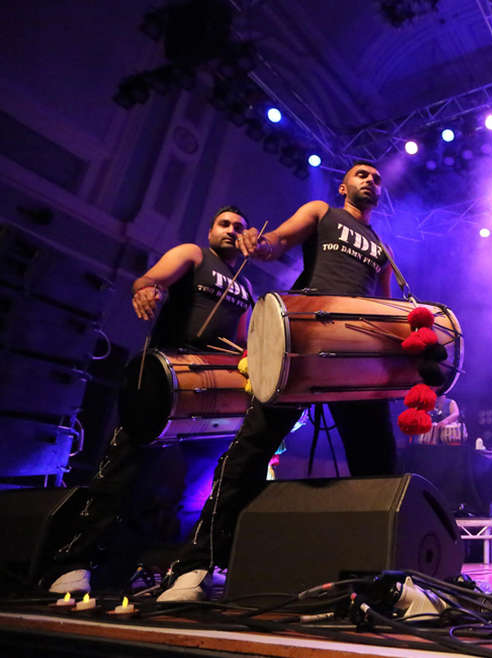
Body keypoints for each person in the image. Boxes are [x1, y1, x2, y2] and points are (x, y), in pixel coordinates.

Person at [157, 161, 398, 602]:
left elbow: (385, 308)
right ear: (344, 185)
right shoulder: (322, 211)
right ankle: (194, 564)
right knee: (251, 449)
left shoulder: (383, 249)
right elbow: (280, 240)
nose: (370, 180)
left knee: (378, 465)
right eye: (361, 174)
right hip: (302, 340)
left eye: (377, 178)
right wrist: (261, 243)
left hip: (355, 358)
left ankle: (380, 577)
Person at [45, 207, 254, 594]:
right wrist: (148, 290)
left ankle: (167, 567)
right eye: (223, 224)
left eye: (238, 227)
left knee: (194, 490)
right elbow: (151, 278)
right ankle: (72, 563)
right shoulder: (193, 254)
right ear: (210, 229)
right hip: (164, 379)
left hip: (210, 399)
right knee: (120, 472)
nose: (230, 231)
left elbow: (239, 344)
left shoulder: (246, 286)